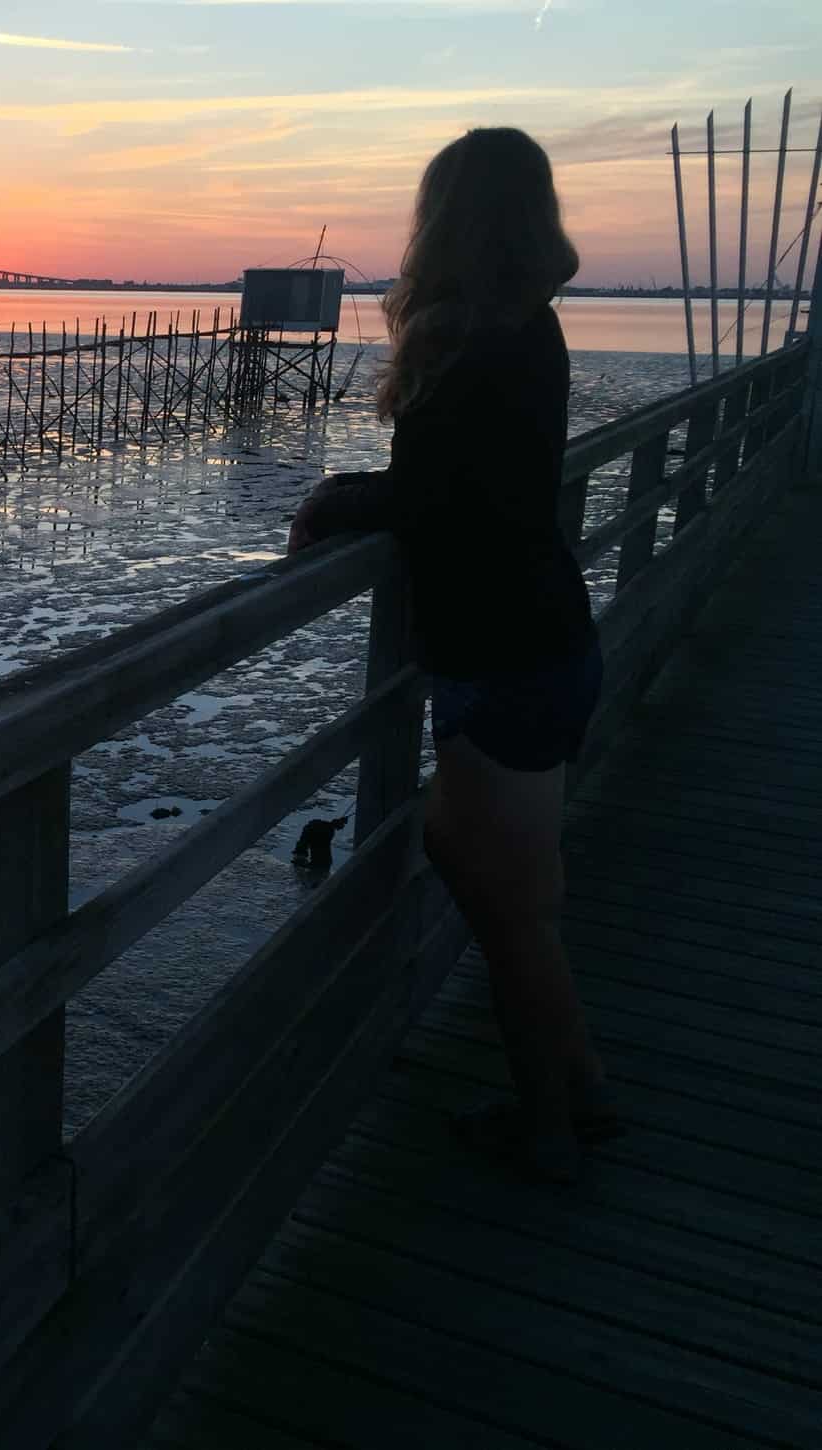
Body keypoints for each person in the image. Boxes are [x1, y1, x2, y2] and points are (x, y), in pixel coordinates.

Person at [287, 127, 618, 1184]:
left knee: (510, 916)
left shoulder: (473, 342)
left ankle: (548, 1131)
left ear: (446, 220)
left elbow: (430, 501)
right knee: (500, 881)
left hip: (503, 655)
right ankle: (581, 1088)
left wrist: (331, 499)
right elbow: (474, 490)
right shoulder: (530, 327)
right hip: (545, 640)